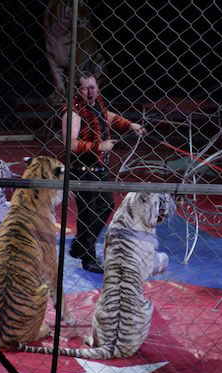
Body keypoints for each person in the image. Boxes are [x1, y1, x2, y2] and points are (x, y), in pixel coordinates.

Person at [62, 71, 146, 273]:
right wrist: (98, 146)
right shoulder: (73, 112)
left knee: (106, 205)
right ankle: (88, 258)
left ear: (98, 87)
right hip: (82, 169)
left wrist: (130, 125)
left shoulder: (96, 103)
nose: (90, 92)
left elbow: (107, 116)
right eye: (85, 89)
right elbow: (69, 143)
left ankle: (80, 245)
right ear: (78, 90)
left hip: (99, 167)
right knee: (89, 213)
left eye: (93, 87)